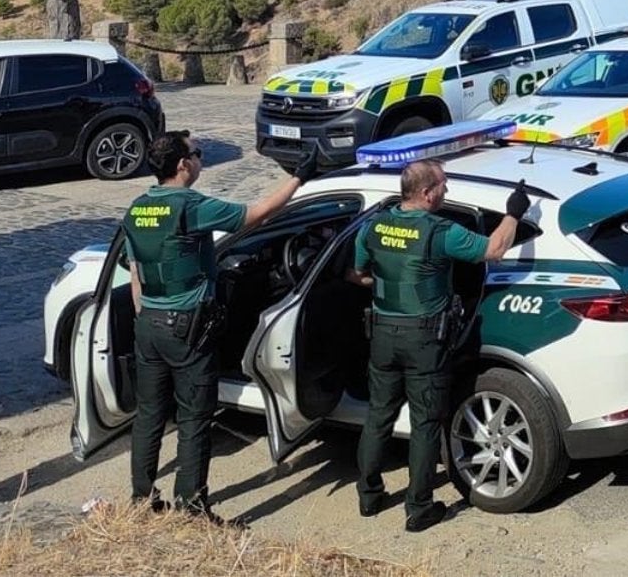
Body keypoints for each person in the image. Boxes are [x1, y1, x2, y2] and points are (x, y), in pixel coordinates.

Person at [122, 131, 316, 520]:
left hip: (149, 325)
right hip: (186, 327)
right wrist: (299, 178)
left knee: (149, 414)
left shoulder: (137, 208)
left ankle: (142, 498)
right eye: (197, 154)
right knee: (194, 417)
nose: (200, 159)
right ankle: (191, 505)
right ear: (182, 165)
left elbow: (136, 274)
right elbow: (256, 215)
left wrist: (146, 317)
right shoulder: (189, 206)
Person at [350, 160, 529, 532]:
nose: (447, 191)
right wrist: (513, 213)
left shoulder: (372, 226)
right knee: (426, 423)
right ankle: (419, 508)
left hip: (382, 335)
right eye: (443, 185)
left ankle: (368, 497)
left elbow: (360, 274)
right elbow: (494, 249)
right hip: (424, 340)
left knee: (378, 416)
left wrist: (390, 289)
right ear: (427, 193)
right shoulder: (440, 233)